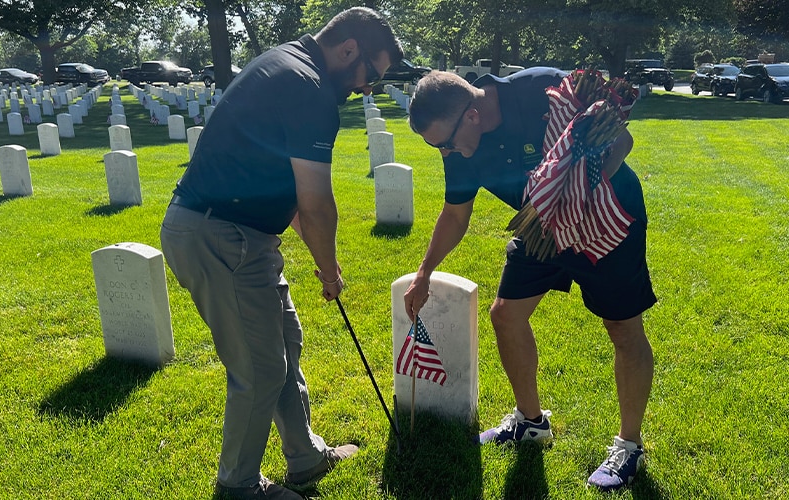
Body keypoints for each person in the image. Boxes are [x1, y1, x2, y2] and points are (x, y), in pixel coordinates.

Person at [159, 8, 402, 499]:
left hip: (239, 233)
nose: (369, 87)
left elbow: (280, 180)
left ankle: (305, 457)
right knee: (260, 367)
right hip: (222, 235)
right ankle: (238, 486)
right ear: (349, 49)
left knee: (285, 342)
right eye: (371, 75)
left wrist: (316, 251)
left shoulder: (287, 63)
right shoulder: (309, 89)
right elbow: (315, 203)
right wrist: (330, 268)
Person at [403, 69, 656, 493]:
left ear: (472, 116)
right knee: (506, 315)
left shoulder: (544, 91)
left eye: (444, 143)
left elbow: (622, 141)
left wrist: (579, 192)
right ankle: (530, 422)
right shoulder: (458, 148)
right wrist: (424, 273)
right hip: (539, 228)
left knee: (623, 329)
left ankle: (628, 446)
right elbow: (455, 214)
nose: (447, 153)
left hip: (606, 222)